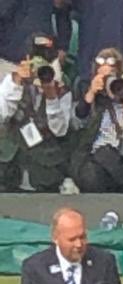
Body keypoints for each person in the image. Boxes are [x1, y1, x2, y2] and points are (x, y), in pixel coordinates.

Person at [70, 48, 123, 193]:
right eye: (103, 76)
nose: (108, 80)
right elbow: (77, 123)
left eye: (111, 75)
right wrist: (92, 92)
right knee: (92, 173)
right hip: (95, 157)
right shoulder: (87, 92)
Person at [0, 33, 74, 193]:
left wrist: (51, 95)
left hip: (45, 154)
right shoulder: (12, 80)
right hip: (13, 151)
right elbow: (3, 115)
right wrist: (17, 83)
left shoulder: (62, 86)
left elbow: (60, 130)